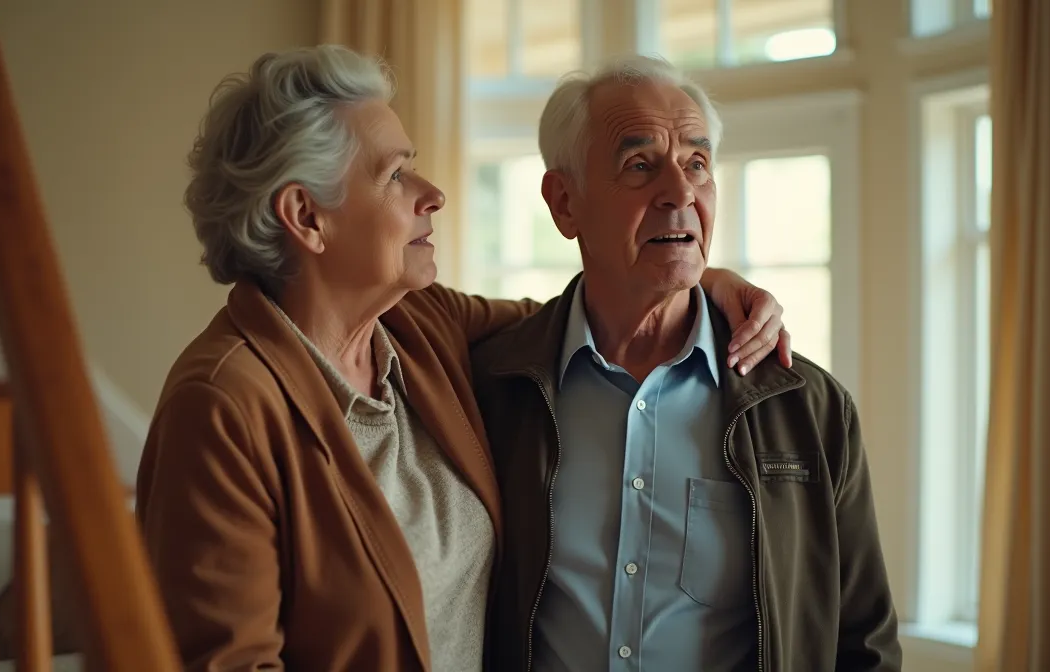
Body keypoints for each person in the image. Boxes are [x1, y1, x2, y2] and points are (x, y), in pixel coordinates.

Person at [135, 45, 791, 671]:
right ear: (307, 216)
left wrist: (697, 274)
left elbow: (593, 311)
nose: (432, 193)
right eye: (394, 175)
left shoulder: (420, 326)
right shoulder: (222, 405)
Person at [471, 54, 901, 672]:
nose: (679, 193)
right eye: (640, 165)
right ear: (565, 203)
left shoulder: (807, 406)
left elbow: (864, 644)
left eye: (697, 164)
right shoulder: (490, 388)